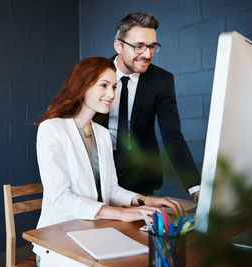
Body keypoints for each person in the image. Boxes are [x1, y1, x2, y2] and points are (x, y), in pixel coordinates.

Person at [34, 56, 185, 267]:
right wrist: (121, 213)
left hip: (96, 232)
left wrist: (144, 200)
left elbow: (112, 189)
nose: (111, 94)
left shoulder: (103, 134)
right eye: (103, 85)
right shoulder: (52, 129)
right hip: (60, 239)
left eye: (114, 87)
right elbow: (60, 198)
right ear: (82, 86)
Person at [96, 12, 201, 197]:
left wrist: (196, 188)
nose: (147, 54)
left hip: (141, 177)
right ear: (118, 45)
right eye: (139, 46)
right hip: (99, 170)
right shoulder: (94, 73)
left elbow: (173, 136)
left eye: (152, 47)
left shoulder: (162, 80)